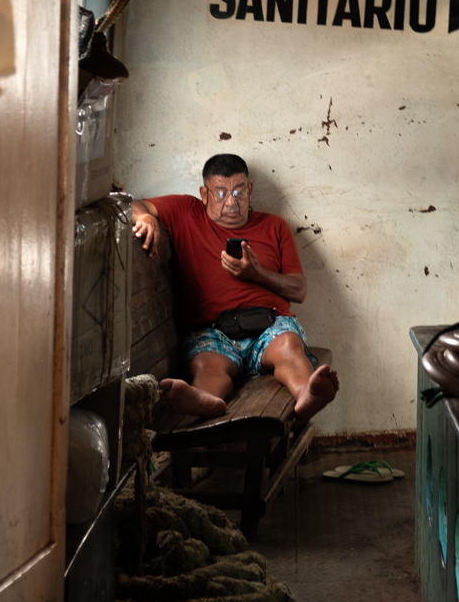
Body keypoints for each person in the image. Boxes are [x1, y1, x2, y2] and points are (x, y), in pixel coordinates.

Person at [132, 153, 339, 421]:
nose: (232, 201)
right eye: (220, 193)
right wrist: (147, 218)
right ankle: (206, 399)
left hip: (270, 326)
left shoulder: (274, 226)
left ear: (250, 190)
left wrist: (257, 274)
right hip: (213, 332)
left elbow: (299, 290)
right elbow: (134, 204)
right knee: (207, 365)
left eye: (239, 191)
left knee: (290, 348)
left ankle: (306, 396)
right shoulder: (186, 212)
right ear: (204, 194)